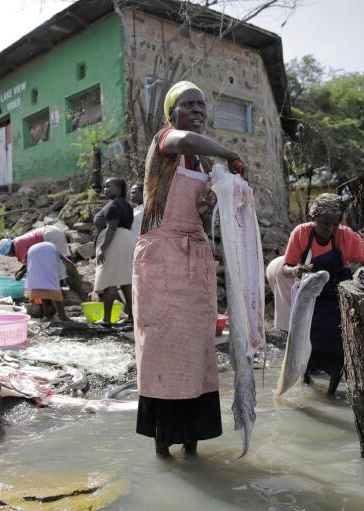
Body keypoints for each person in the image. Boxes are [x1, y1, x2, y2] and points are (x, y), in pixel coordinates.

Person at [134, 80, 247, 457]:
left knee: (198, 352)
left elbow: (202, 212)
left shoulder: (199, 163)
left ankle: (193, 449)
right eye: (189, 104)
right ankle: (164, 449)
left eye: (202, 104)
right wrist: (230, 154)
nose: (198, 109)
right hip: (163, 259)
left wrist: (219, 197)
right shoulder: (166, 142)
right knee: (165, 349)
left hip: (194, 260)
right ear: (172, 113)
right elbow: (185, 141)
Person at [276, 193, 364, 396]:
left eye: (334, 225)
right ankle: (305, 385)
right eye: (324, 223)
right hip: (308, 299)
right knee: (305, 346)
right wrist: (296, 271)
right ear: (313, 219)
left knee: (339, 348)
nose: (329, 229)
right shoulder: (301, 234)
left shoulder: (347, 236)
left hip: (337, 299)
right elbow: (285, 266)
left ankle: (330, 394)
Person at [0, 225, 87, 301]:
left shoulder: (18, 247)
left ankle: (67, 288)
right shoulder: (17, 242)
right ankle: (65, 287)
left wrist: (21, 274)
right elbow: (29, 260)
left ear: (9, 251)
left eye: (8, 255)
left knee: (61, 264)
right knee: (62, 260)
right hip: (53, 232)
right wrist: (20, 270)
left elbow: (31, 263)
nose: (10, 256)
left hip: (49, 236)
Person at [93, 177, 136, 326]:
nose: (104, 189)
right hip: (128, 240)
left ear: (117, 189)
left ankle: (106, 319)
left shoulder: (113, 205)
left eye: (108, 186)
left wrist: (102, 248)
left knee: (109, 281)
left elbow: (111, 228)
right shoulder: (128, 206)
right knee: (126, 282)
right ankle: (132, 317)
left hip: (114, 242)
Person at [24, 241, 76, 322]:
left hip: (32, 251)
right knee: (54, 288)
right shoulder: (59, 258)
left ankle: (47, 314)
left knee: (41, 284)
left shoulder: (54, 250)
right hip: (43, 251)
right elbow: (62, 266)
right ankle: (62, 316)